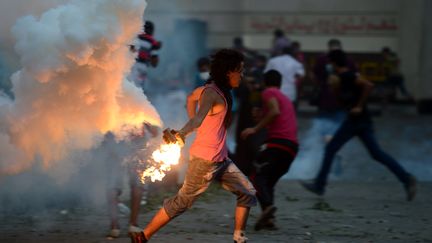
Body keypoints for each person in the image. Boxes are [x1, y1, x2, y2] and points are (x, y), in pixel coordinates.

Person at [130, 49, 257, 243]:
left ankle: (239, 237)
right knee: (182, 202)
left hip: (221, 159)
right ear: (228, 72)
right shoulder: (211, 93)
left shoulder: (217, 90)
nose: (242, 75)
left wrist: (197, 124)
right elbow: (198, 118)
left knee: (247, 191)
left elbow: (191, 97)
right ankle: (144, 236)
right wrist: (183, 132)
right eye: (240, 70)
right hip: (204, 161)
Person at [300, 50, 417, 201]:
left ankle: (319, 185)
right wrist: (334, 90)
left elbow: (369, 85)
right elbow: (343, 102)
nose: (328, 65)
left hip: (359, 121)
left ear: (335, 63)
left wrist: (360, 106)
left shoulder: (349, 75)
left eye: (330, 62)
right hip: (354, 121)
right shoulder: (338, 79)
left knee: (332, 149)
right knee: (375, 153)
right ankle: (407, 179)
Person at [241, 70, 298, 231]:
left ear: (266, 82)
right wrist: (260, 116)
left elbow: (274, 112)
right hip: (292, 148)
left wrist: (254, 128)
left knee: (255, 176)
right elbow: (275, 115)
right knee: (268, 181)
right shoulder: (284, 97)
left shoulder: (268, 92)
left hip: (278, 144)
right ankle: (269, 219)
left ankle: (267, 209)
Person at [103, 123, 159, 238]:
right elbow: (154, 132)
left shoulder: (112, 105)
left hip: (116, 143)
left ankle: (114, 227)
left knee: (113, 185)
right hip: (136, 145)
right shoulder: (141, 107)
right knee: (137, 183)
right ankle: (133, 225)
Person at [311, 39, 357, 176]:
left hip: (325, 100)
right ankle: (336, 157)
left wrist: (321, 85)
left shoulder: (322, 59)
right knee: (338, 131)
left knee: (325, 132)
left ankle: (328, 158)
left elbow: (314, 75)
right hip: (342, 102)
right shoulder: (348, 60)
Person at [129, 21, 162, 92]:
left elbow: (130, 49)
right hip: (142, 67)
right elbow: (154, 63)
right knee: (138, 88)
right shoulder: (152, 42)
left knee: (130, 85)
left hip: (131, 65)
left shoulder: (135, 38)